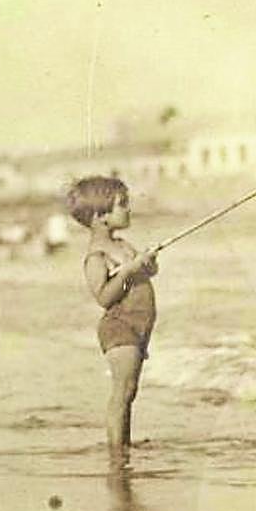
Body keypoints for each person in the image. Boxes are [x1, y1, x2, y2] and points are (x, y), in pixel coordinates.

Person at [66, 176, 158, 468]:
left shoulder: (122, 245)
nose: (129, 209)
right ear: (99, 217)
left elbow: (144, 275)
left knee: (130, 391)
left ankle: (123, 444)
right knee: (122, 391)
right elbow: (104, 297)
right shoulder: (96, 257)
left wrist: (146, 264)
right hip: (120, 326)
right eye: (122, 205)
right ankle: (116, 453)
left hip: (140, 325)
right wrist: (127, 271)